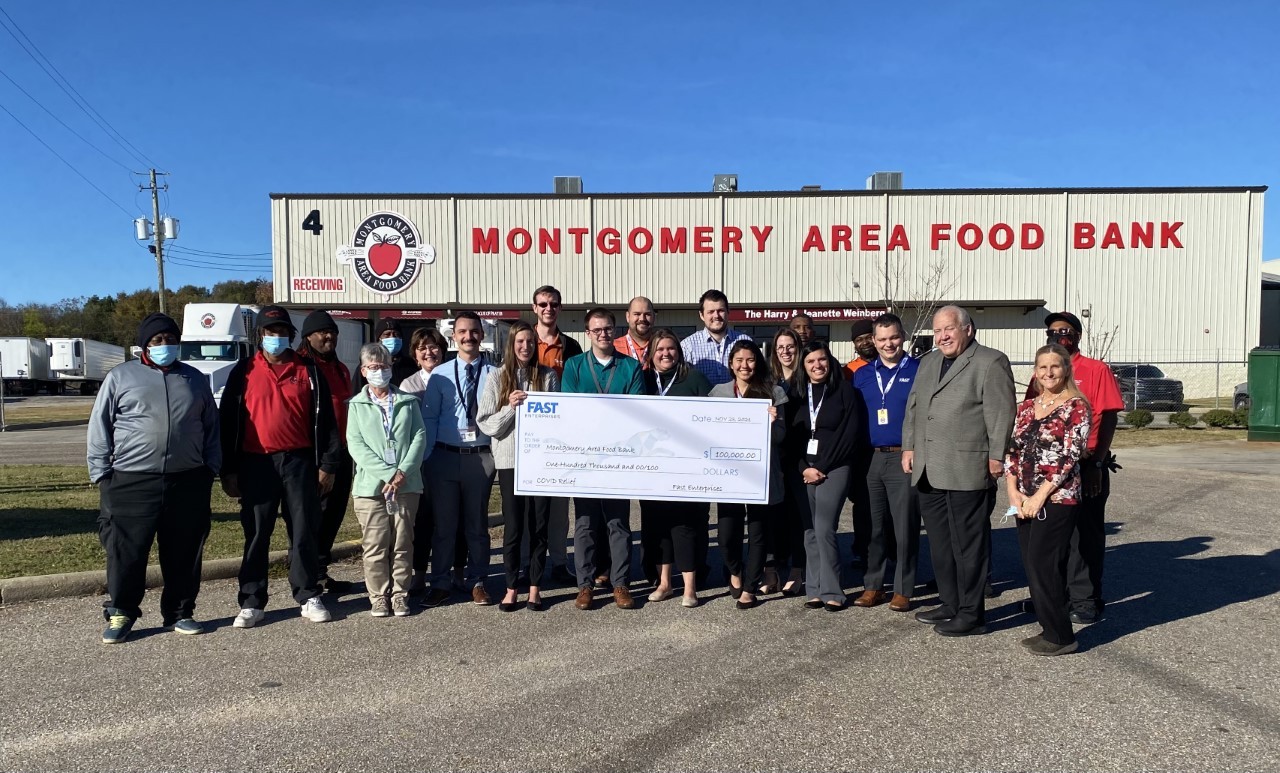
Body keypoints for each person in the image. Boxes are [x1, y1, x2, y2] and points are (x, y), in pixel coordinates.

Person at [88, 313, 220, 643]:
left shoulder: (194, 379)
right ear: (144, 344)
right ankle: (121, 612)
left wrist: (210, 468)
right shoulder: (120, 377)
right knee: (127, 551)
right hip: (131, 480)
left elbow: (211, 428)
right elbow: (100, 427)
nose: (165, 345)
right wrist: (102, 475)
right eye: (157, 340)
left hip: (187, 480)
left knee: (184, 550)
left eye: (170, 340)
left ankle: (179, 612)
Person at [220, 305, 343, 628]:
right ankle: (252, 600)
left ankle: (307, 593)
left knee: (303, 529)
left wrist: (328, 464)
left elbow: (327, 422)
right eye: (270, 331)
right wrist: (228, 469)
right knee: (257, 532)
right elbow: (227, 423)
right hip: (255, 461)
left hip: (299, 460)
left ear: (291, 335)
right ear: (260, 335)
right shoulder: (243, 371)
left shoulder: (308, 370)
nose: (276, 337)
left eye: (282, 332)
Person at [901, 305, 1015, 637]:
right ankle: (950, 603)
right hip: (928, 467)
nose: (943, 336)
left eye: (949, 329)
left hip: (967, 466)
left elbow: (1001, 413)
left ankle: (972, 613)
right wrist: (909, 446)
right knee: (940, 544)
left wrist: (997, 455)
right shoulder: (928, 363)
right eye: (937, 331)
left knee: (968, 546)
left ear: (968, 329)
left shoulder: (990, 362)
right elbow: (914, 407)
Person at [1027, 312, 1124, 625]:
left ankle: (1086, 599)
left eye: (1066, 331)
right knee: (1055, 537)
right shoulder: (1043, 373)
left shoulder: (1095, 370)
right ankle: (1055, 595)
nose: (1059, 337)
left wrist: (1096, 462)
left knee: (1085, 536)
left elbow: (1108, 417)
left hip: (1086, 464)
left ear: (1078, 335)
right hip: (1048, 468)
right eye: (1053, 333)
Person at [1005, 344, 1091, 656]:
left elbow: (1068, 458)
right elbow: (1013, 451)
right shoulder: (1025, 407)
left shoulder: (1076, 407)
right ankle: (1049, 626)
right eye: (1043, 367)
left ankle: (1062, 637)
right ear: (1035, 372)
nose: (1048, 373)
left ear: (1066, 370)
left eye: (1055, 366)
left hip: (1057, 498)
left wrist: (1040, 497)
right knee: (1031, 562)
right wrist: (1013, 491)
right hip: (1024, 496)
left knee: (1045, 563)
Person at [561, 306, 646, 610]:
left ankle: (620, 583)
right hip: (584, 459)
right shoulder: (574, 366)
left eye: (607, 328)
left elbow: (634, 412)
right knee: (584, 524)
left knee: (618, 523)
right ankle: (585, 586)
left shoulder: (630, 367)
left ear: (615, 329)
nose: (603, 334)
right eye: (596, 329)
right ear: (588, 334)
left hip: (618, 458)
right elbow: (571, 412)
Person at [477, 321, 560, 612]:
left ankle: (535, 587)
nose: (525, 347)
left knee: (539, 526)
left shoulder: (547, 376)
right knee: (513, 528)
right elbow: (487, 424)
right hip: (510, 461)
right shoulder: (496, 378)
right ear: (511, 345)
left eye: (529, 341)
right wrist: (509, 408)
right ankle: (511, 587)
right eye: (519, 342)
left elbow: (556, 420)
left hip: (539, 464)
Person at [421, 312, 499, 607]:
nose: (469, 337)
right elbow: (429, 417)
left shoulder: (495, 373)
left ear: (482, 334)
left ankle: (478, 580)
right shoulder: (440, 374)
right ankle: (439, 582)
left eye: (474, 331)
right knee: (444, 525)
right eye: (463, 332)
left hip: (479, 457)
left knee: (476, 524)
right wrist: (427, 457)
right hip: (443, 456)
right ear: (454, 336)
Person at [346, 342, 427, 618]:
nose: (378, 371)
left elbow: (419, 437)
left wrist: (402, 472)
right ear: (363, 371)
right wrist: (388, 473)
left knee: (403, 542)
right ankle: (379, 596)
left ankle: (400, 594)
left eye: (383, 366)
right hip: (371, 488)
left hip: (407, 484)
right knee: (375, 545)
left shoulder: (407, 402)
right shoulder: (356, 406)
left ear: (391, 369)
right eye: (373, 367)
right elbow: (356, 445)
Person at [709, 340, 787, 610]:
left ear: (758, 362)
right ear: (731, 364)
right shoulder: (718, 393)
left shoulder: (773, 392)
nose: (745, 365)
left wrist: (773, 423)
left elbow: (780, 438)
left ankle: (750, 587)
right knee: (727, 534)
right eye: (739, 360)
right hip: (729, 476)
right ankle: (734, 570)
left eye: (750, 359)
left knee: (758, 533)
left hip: (760, 476)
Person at [851, 313, 921, 612]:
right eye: (881, 339)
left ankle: (903, 588)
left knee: (904, 528)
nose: (888, 343)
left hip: (904, 457)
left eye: (893, 337)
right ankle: (873, 586)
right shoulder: (863, 374)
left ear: (902, 336)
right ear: (874, 341)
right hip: (871, 459)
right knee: (874, 527)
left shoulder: (919, 370)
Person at [788, 340, 863, 611]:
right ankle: (815, 589)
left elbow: (849, 433)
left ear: (829, 361)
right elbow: (792, 438)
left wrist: (822, 466)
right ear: (803, 366)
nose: (817, 365)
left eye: (821, 360)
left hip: (835, 468)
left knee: (824, 527)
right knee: (809, 530)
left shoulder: (844, 391)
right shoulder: (796, 394)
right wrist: (803, 468)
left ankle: (834, 590)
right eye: (810, 362)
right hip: (804, 470)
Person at [641, 328, 713, 608]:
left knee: (684, 525)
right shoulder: (645, 379)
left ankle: (690, 588)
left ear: (679, 352)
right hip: (653, 465)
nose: (665, 353)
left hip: (687, 465)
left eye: (670, 348)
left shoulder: (692, 378)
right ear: (651, 354)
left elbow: (716, 411)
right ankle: (665, 583)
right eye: (659, 349)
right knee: (658, 525)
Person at [399, 327, 464, 596]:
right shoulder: (408, 386)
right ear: (415, 355)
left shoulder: (453, 378)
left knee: (456, 517)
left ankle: (459, 571)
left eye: (434, 346)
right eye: (422, 348)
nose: (429, 352)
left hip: (451, 454)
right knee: (423, 519)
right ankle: (419, 574)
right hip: (421, 462)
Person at [295, 310, 355, 594]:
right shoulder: (303, 369)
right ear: (307, 337)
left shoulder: (341, 368)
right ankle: (308, 576)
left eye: (331, 332)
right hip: (316, 457)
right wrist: (324, 464)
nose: (328, 336)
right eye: (321, 332)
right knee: (314, 518)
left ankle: (321, 572)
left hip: (343, 453)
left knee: (333, 516)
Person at [531, 284, 582, 585]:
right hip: (530, 437)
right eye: (543, 304)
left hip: (562, 436)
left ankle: (560, 562)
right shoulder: (522, 341)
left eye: (554, 304)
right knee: (531, 508)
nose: (548, 309)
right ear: (534, 308)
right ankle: (529, 565)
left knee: (560, 509)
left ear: (560, 308)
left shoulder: (571, 346)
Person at [768, 327, 807, 596]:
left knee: (799, 515)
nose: (785, 351)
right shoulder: (769, 380)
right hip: (776, 456)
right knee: (775, 515)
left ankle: (798, 569)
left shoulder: (807, 377)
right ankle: (774, 565)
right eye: (780, 347)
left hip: (802, 456)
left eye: (790, 346)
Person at [682, 289, 751, 386]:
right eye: (711, 312)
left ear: (728, 312)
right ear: (701, 315)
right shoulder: (688, 346)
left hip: (737, 400)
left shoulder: (745, 341)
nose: (716, 315)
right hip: (703, 400)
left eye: (720, 311)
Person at [356, 319, 417, 388]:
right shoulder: (368, 366)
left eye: (396, 334)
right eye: (387, 335)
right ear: (379, 339)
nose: (392, 337)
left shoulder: (410, 364)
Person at [616, 296, 656, 368]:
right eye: (637, 314)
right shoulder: (613, 347)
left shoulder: (662, 346)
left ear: (654, 317)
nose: (642, 319)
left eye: (647, 314)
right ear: (628, 317)